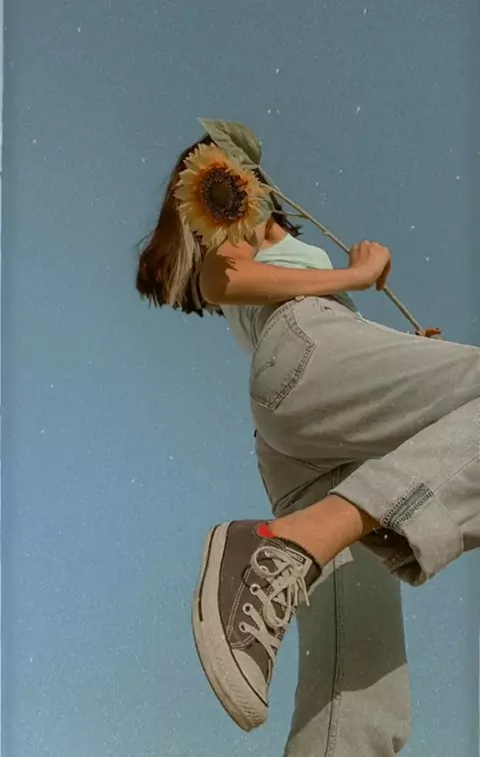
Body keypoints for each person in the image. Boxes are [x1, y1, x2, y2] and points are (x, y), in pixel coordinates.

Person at [136, 132, 478, 754]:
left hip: (306, 418)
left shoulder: (272, 239)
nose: (250, 173)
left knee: (356, 690)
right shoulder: (235, 219)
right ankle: (294, 541)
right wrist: (360, 274)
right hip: (307, 355)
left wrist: (405, 353)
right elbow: (223, 280)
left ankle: (285, 548)